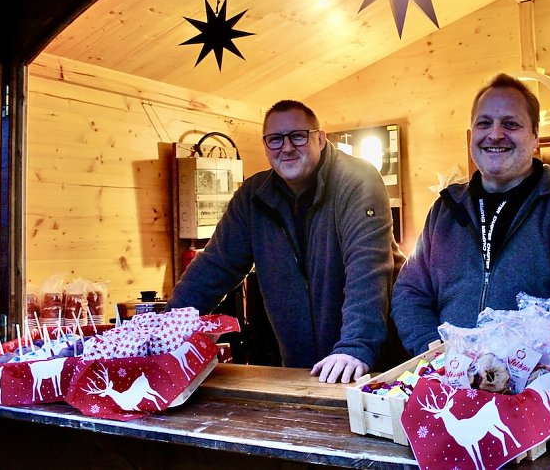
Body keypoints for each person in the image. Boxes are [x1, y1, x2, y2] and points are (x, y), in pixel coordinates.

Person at [168, 100, 404, 383]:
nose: (287, 147)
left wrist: (356, 346)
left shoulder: (358, 180)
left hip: (375, 363)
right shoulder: (253, 197)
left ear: (320, 138)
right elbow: (214, 267)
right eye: (275, 139)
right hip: (302, 370)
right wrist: (166, 330)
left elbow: (367, 268)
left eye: (298, 136)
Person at [391, 73, 550, 356]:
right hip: (448, 383)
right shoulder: (445, 209)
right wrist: (435, 353)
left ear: (535, 136)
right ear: (472, 133)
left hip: (536, 389)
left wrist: (514, 365)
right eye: (484, 123)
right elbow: (409, 293)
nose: (495, 134)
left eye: (510, 124)